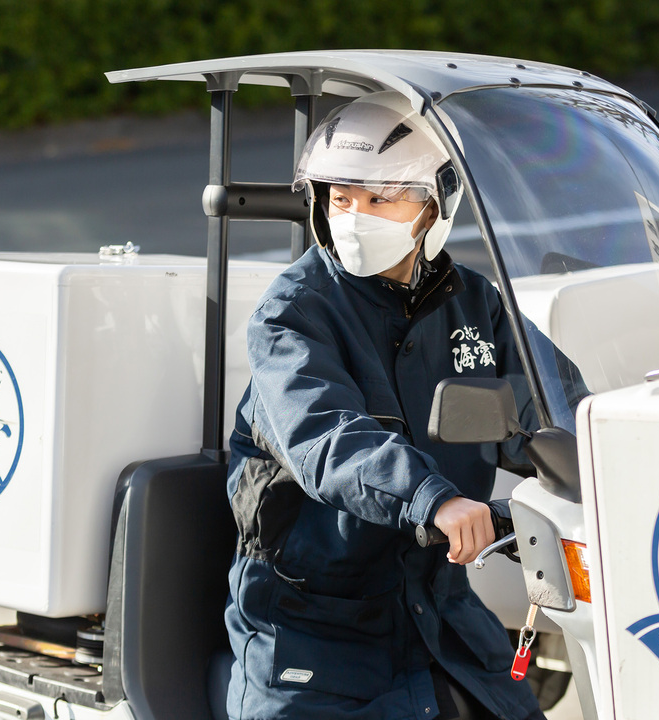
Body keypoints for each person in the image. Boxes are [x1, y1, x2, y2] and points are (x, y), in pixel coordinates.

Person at [223, 91, 587, 720]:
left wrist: (608, 460)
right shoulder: (294, 312)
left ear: (434, 207)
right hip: (315, 628)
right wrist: (435, 499)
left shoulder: (474, 305)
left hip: (441, 609)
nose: (355, 215)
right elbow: (326, 438)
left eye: (381, 196)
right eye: (342, 198)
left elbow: (551, 402)